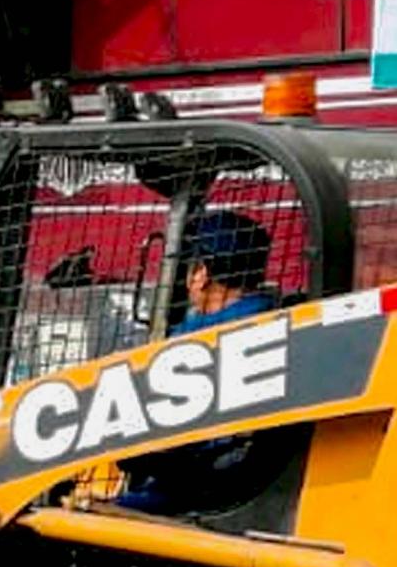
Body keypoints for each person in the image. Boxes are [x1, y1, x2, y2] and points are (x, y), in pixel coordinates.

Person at [117, 211, 283, 516]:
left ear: (201, 273)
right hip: (232, 477)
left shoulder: (203, 335)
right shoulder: (274, 316)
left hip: (202, 485)